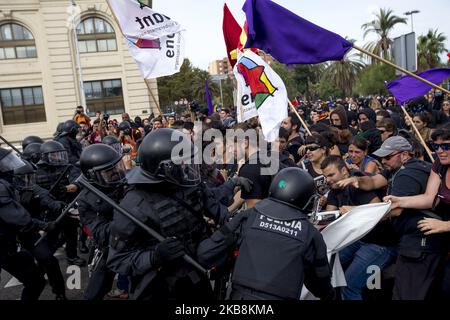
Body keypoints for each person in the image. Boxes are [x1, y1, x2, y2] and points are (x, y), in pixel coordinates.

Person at [107, 128, 251, 300]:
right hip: (160, 286)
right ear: (164, 168)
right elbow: (117, 260)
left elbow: (212, 202)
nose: (185, 168)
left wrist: (232, 185)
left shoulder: (185, 182)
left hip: (195, 274)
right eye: (180, 163)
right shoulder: (133, 205)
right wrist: (154, 257)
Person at [197, 167, 335, 300]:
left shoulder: (247, 216)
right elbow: (321, 283)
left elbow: (206, 254)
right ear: (306, 199)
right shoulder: (310, 233)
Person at [336, 136, 442, 300]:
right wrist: (355, 179)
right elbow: (373, 181)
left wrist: (356, 210)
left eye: (387, 157)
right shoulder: (397, 168)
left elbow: (395, 210)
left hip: (417, 242)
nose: (383, 161)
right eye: (381, 157)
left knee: (406, 292)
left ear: (404, 155)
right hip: (406, 240)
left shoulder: (407, 175)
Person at [385, 125, 450, 299]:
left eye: (446, 146)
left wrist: (445, 225)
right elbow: (428, 198)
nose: (440, 151)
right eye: (436, 146)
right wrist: (399, 200)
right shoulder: (439, 165)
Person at [321, 156, 397, 300]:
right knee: (327, 266)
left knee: (350, 285)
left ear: (344, 171)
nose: (329, 180)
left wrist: (354, 210)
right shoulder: (335, 189)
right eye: (326, 177)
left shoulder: (357, 186)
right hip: (358, 239)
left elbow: (381, 212)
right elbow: (329, 214)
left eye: (331, 175)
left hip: (379, 243)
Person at [78, 144, 127, 300]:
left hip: (142, 240)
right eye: (109, 171)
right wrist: (127, 225)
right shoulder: (86, 200)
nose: (116, 172)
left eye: (117, 166)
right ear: (94, 175)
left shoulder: (127, 182)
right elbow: (100, 232)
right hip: (111, 245)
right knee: (94, 293)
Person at [13, 160, 67, 300]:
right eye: (24, 178)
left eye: (30, 177)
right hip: (11, 236)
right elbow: (18, 217)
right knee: (31, 275)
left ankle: (59, 293)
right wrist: (43, 225)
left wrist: (57, 205)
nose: (28, 181)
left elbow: (44, 196)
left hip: (30, 233)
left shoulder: (31, 188)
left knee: (49, 260)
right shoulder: (7, 193)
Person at [0, 148, 47, 301]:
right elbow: (19, 219)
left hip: (8, 245)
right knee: (36, 281)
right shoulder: (0, 187)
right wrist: (43, 225)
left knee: (36, 280)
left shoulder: (5, 184)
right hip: (4, 247)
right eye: (5, 165)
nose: (10, 168)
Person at [35, 141, 85, 266]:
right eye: (54, 155)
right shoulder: (37, 172)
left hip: (67, 206)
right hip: (50, 210)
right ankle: (45, 259)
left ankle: (72, 256)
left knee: (71, 233)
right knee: (52, 236)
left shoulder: (67, 167)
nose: (58, 158)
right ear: (45, 157)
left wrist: (71, 186)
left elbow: (78, 179)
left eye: (60, 154)